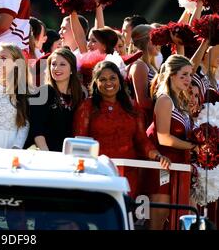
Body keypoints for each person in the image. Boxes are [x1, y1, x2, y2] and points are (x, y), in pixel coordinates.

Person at [73, 61, 171, 198]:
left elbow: (141, 140)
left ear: (119, 79)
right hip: (98, 172)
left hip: (128, 175)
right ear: (96, 83)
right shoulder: (87, 107)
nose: (109, 83)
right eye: (103, 79)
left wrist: (158, 156)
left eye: (113, 78)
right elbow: (80, 142)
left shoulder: (132, 107)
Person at [146, 54, 197, 230]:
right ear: (171, 75)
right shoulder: (165, 100)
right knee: (158, 222)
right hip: (164, 166)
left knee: (180, 220)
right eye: (183, 74)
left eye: (190, 74)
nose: (188, 79)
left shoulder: (181, 101)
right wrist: (195, 147)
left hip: (180, 166)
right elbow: (164, 138)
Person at [27, 48, 83, 151]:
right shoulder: (42, 93)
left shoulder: (80, 95)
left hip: (73, 155)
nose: (56, 68)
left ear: (72, 69)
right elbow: (37, 129)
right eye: (53, 64)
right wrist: (47, 154)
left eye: (62, 64)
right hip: (49, 154)